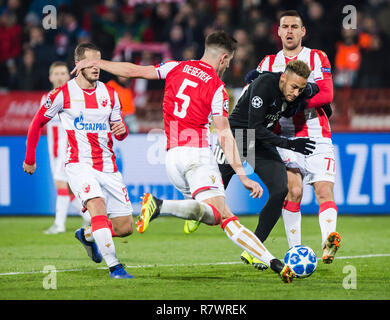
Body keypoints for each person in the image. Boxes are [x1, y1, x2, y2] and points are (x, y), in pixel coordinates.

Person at [72, 31, 296, 283]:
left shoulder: (176, 66)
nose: (227, 67)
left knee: (212, 214)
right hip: (197, 156)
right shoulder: (216, 87)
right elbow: (224, 133)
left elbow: (134, 70)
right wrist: (243, 175)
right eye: (228, 62)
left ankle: (273, 262)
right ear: (223, 58)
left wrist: (98, 63)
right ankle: (162, 206)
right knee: (224, 217)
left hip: (172, 159)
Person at [190, 60, 319, 271]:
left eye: (301, 89)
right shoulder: (264, 85)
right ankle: (196, 212)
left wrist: (316, 97)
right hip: (239, 136)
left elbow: (318, 89)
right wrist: (289, 144)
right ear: (283, 77)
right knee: (213, 188)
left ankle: (255, 249)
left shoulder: (300, 89)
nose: (296, 93)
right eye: (294, 87)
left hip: (262, 143)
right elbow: (255, 128)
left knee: (280, 190)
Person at [23, 43, 134, 279]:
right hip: (79, 164)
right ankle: (115, 266)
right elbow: (36, 123)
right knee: (98, 209)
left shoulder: (110, 93)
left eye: (99, 62)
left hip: (108, 165)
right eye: (90, 63)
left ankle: (87, 235)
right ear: (78, 65)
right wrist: (30, 158)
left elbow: (120, 132)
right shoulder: (63, 94)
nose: (97, 67)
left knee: (125, 228)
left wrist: (121, 129)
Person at [255, 10, 341, 265]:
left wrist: (295, 104)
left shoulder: (316, 57)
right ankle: (296, 252)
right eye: (285, 26)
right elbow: (257, 97)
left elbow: (326, 94)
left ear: (303, 31)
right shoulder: (267, 63)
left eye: (295, 26)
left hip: (316, 133)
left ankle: (328, 244)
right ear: (278, 31)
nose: (290, 31)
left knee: (324, 191)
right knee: (293, 191)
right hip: (285, 137)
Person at [41, 61, 91, 234]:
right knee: (68, 187)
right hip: (53, 149)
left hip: (68, 147)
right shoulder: (47, 96)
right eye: (56, 73)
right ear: (50, 77)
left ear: (68, 75)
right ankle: (89, 216)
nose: (60, 76)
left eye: (63, 73)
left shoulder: (72, 96)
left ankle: (59, 224)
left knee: (61, 183)